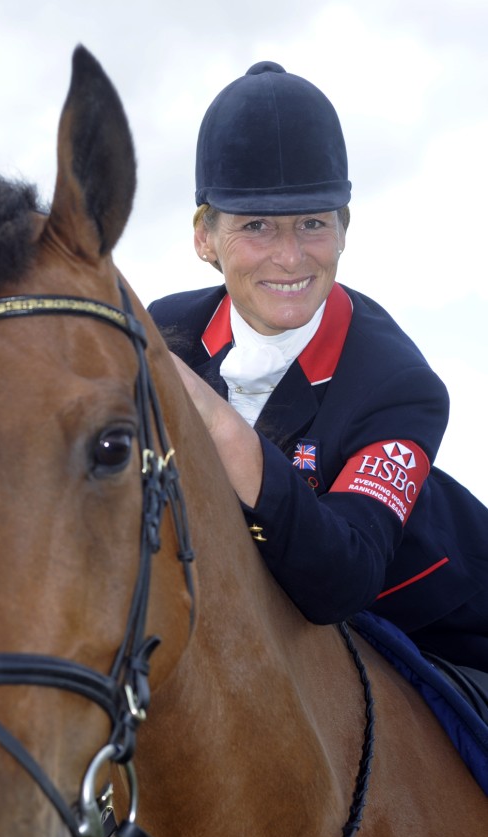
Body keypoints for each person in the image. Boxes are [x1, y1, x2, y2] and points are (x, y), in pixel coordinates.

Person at [149, 60, 488, 682]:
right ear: (205, 237)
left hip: (444, 636)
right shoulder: (166, 330)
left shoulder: (399, 386)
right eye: (256, 226)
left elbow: (342, 582)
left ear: (343, 228)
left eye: (312, 223)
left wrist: (219, 426)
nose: (289, 256)